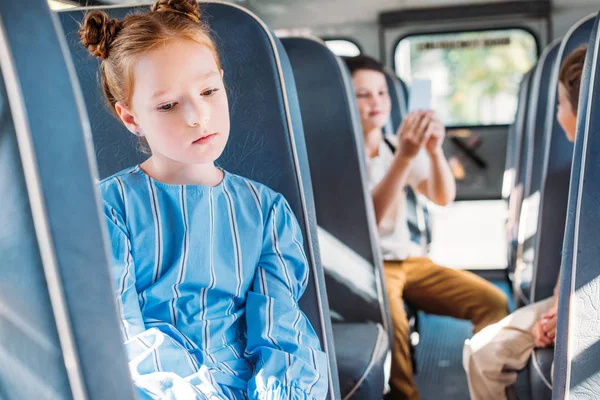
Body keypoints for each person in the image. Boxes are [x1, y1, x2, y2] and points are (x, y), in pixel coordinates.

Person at [79, 1, 328, 398]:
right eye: (167, 105)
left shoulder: (266, 212)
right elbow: (120, 332)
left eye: (209, 90)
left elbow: (282, 331)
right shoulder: (107, 208)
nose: (198, 115)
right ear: (131, 117)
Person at [343, 55, 509, 400]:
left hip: (410, 262)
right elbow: (368, 219)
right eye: (363, 94)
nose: (376, 102)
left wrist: (432, 152)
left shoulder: (393, 147)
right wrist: (405, 158)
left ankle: (489, 388)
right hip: (368, 265)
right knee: (395, 323)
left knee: (491, 301)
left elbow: (442, 196)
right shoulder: (339, 155)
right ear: (343, 97)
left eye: (381, 93)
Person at [462, 45, 587, 400]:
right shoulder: (576, 178)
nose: (559, 114)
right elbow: (576, 259)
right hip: (568, 302)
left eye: (561, 105)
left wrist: (570, 317)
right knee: (481, 352)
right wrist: (558, 309)